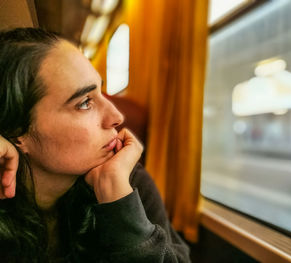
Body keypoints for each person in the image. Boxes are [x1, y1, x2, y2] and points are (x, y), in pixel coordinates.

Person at [0, 27, 190, 262]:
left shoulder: (128, 180)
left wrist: (118, 200)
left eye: (101, 93)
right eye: (84, 103)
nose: (117, 117)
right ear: (17, 132)